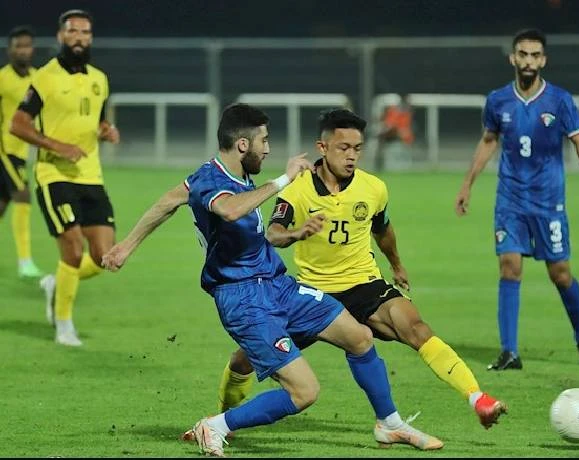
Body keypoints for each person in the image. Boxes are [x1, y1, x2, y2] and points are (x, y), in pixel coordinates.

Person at [102, 103, 443, 456]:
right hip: (243, 299)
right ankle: (216, 425)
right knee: (305, 392)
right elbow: (231, 210)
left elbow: (168, 201)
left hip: (278, 285)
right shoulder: (212, 179)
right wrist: (283, 179)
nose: (267, 148)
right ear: (243, 145)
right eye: (263, 141)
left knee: (359, 336)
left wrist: (126, 246)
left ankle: (389, 423)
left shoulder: (224, 177)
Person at [215, 108, 507, 431]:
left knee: (416, 327)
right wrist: (297, 233)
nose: (351, 156)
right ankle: (224, 413)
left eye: (357, 148)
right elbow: (273, 234)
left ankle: (477, 398)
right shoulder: (298, 189)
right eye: (343, 148)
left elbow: (383, 230)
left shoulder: (373, 188)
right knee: (245, 358)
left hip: (363, 284)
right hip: (314, 293)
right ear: (323, 147)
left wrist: (396, 265)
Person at [453, 28, 579, 371]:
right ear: (513, 58)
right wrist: (467, 185)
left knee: (560, 274)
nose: (528, 61)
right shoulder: (497, 100)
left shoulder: (560, 100)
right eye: (523, 54)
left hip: (548, 201)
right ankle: (509, 352)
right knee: (509, 267)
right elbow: (489, 141)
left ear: (543, 60)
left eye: (535, 55)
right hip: (510, 199)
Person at [11, 9, 120, 346]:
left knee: (104, 256)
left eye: (85, 32)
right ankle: (64, 325)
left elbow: (96, 120)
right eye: (72, 31)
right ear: (60, 36)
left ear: (91, 38)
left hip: (91, 176)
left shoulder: (99, 79)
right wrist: (56, 146)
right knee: (72, 249)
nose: (79, 38)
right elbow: (18, 124)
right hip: (53, 175)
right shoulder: (45, 77)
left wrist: (106, 130)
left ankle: (56, 284)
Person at [0, 25, 43, 278]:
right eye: (18, 46)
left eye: (27, 46)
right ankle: (25, 262)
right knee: (23, 195)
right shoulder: (2, 78)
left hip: (22, 151)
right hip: (5, 150)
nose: (23, 51)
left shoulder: (38, 78)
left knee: (2, 204)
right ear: (10, 50)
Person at [375, 93, 415, 171]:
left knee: (383, 136)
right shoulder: (393, 112)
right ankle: (379, 163)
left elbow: (402, 127)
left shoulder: (404, 113)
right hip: (392, 135)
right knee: (381, 139)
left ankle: (380, 163)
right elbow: (389, 125)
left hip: (401, 136)